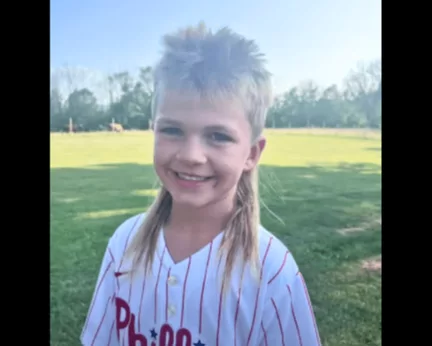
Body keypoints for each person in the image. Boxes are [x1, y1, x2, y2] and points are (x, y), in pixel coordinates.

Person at [80, 23, 322, 346]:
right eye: (172, 130)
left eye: (218, 136)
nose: (192, 155)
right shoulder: (125, 244)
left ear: (251, 153)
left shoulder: (273, 273)